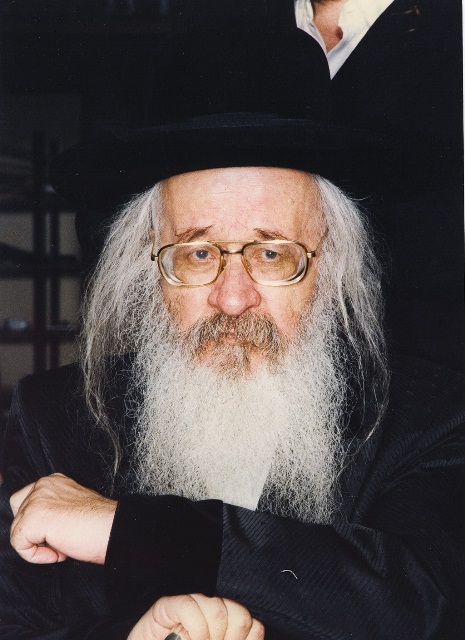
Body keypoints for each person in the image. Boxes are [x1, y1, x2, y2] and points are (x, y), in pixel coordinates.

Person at [1, 14, 464, 640]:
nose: (233, 297)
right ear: (146, 266)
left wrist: (132, 534)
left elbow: (424, 604)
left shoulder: (432, 418)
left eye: (272, 254)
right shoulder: (51, 419)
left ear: (334, 265)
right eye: (197, 253)